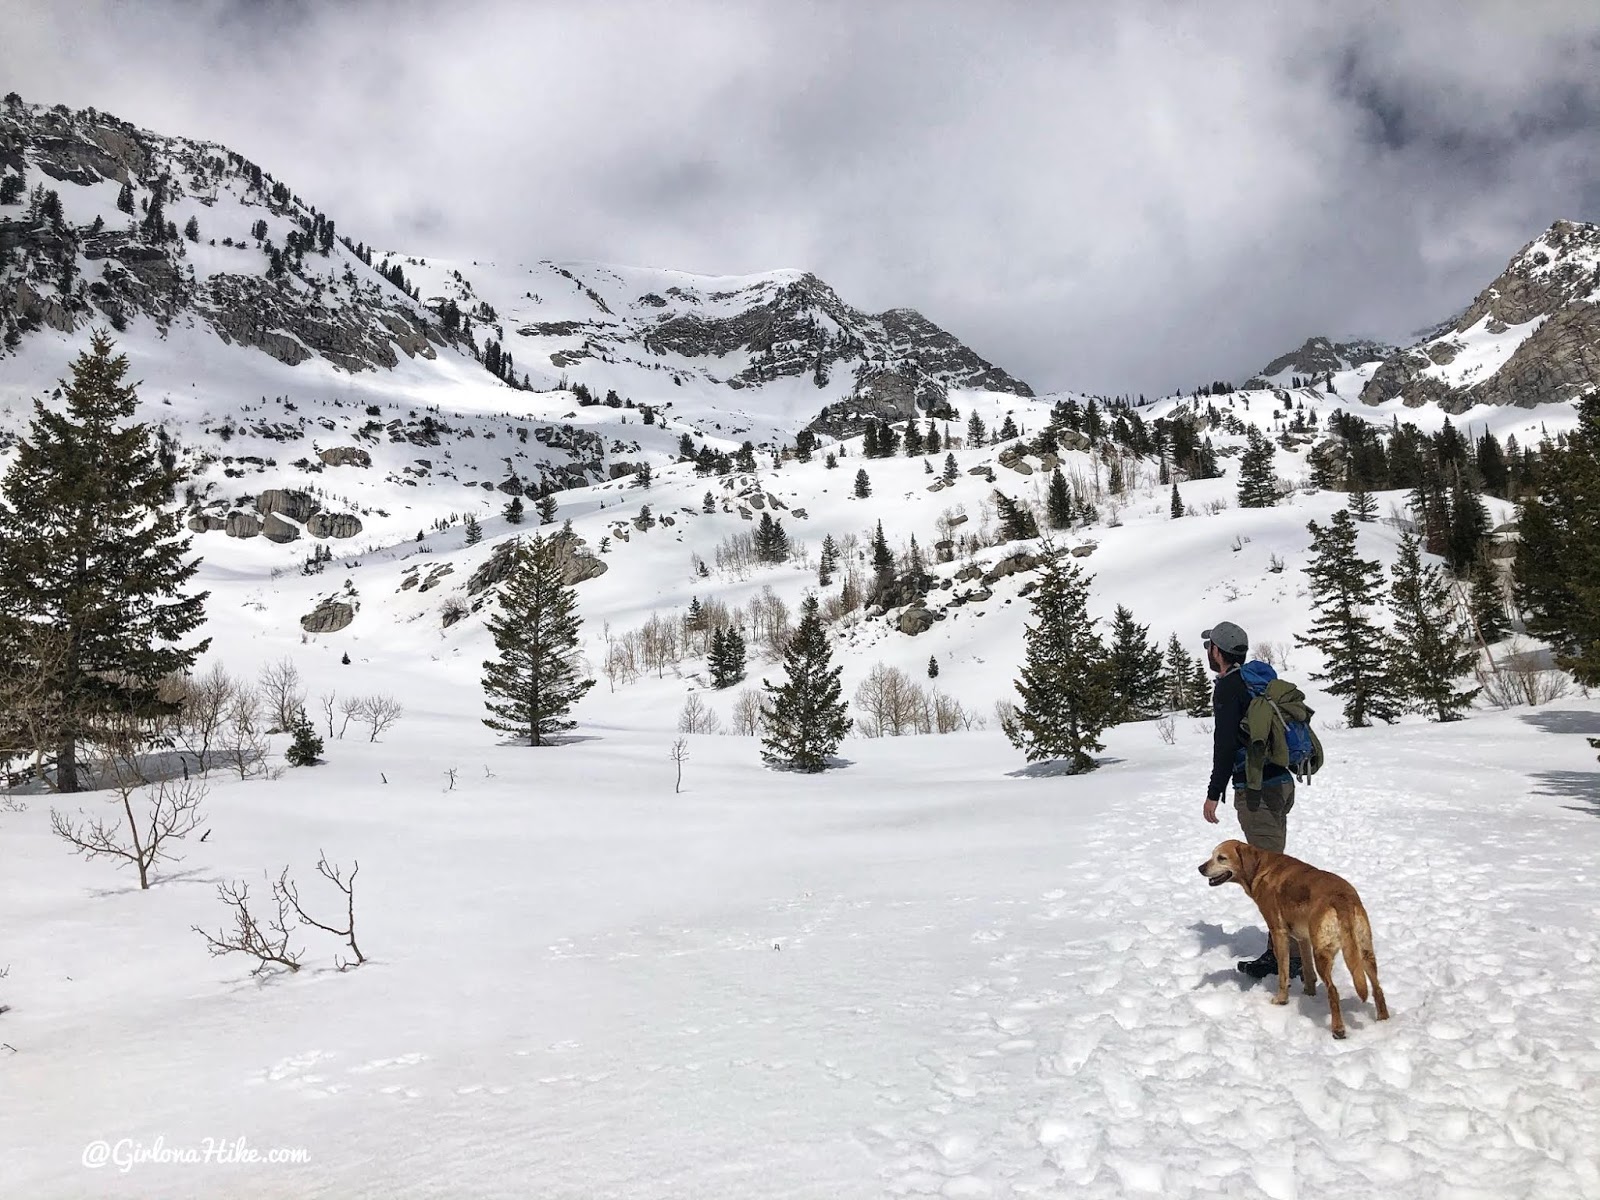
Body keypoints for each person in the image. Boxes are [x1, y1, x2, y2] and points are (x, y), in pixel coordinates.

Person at [1199, 619, 1300, 980]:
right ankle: (1285, 948)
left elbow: (1224, 745)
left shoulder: (1230, 688)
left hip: (1257, 791)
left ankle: (1291, 956)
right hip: (1281, 783)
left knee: (1270, 876)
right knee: (1276, 869)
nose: (1208, 652)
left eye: (1210, 647)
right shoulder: (1261, 681)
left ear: (1218, 651)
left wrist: (1214, 793)